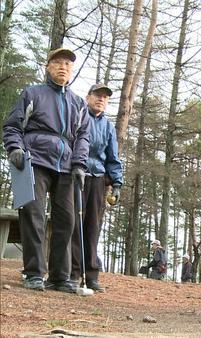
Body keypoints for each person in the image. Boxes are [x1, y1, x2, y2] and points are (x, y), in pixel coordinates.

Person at [3, 48, 91, 293]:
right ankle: (33, 273)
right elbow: (12, 126)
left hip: (66, 165)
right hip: (34, 159)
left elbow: (83, 137)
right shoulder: (32, 93)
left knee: (67, 219)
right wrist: (15, 149)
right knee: (33, 214)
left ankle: (60, 277)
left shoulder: (79, 103)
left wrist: (80, 164)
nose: (63, 67)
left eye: (68, 64)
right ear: (48, 67)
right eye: (58, 62)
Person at [70, 84, 123, 293]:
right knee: (74, 224)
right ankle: (73, 274)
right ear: (88, 96)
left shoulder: (108, 127)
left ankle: (91, 275)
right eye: (97, 96)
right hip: (76, 175)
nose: (101, 99)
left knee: (93, 226)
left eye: (105, 97)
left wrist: (117, 183)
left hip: (98, 179)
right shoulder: (78, 116)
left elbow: (113, 157)